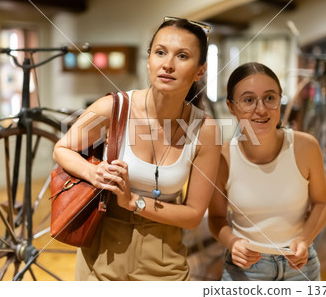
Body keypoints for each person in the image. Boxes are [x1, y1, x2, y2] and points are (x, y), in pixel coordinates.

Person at [53, 17, 221, 280]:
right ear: (148, 60)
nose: (167, 64)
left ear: (200, 70)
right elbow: (62, 149)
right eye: (160, 52)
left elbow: (192, 216)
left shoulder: (206, 130)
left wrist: (134, 202)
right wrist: (92, 172)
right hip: (103, 251)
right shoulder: (113, 108)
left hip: (165, 256)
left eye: (183, 56)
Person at [208, 62, 326, 281]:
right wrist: (232, 243)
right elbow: (216, 218)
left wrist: (304, 239)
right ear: (231, 106)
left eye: (270, 98)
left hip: (300, 266)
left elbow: (321, 204)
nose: (261, 109)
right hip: (245, 270)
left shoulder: (306, 147)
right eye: (248, 100)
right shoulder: (223, 157)